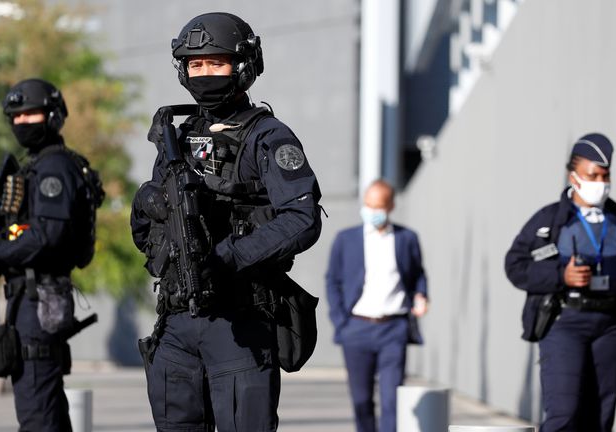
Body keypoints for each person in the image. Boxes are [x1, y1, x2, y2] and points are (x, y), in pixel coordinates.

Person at [130, 12, 323, 432]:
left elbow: (302, 218)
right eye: (195, 64)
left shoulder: (267, 136)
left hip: (239, 322)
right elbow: (145, 228)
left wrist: (227, 258)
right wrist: (148, 203)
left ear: (242, 67)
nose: (204, 73)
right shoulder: (176, 138)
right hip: (176, 324)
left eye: (215, 63)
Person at [0, 78, 103, 431]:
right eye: (16, 117)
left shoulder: (53, 168)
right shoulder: (39, 164)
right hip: (33, 299)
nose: (22, 123)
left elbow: (46, 235)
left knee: (38, 413)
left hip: (40, 301)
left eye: (31, 114)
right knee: (47, 410)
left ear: (52, 117)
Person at [505, 133, 616, 432]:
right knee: (565, 415)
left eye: (605, 175)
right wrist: (561, 276)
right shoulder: (551, 220)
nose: (600, 182)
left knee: (600, 419)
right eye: (592, 175)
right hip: (565, 323)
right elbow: (515, 266)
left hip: (611, 327)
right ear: (574, 177)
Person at [325, 179, 429, 432]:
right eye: (368, 205)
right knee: (361, 401)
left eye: (378, 206)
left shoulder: (407, 238)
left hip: (394, 329)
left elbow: (418, 275)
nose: (372, 211)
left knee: (392, 399)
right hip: (357, 328)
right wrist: (341, 321)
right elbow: (332, 280)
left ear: (391, 205)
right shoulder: (346, 239)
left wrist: (422, 296)